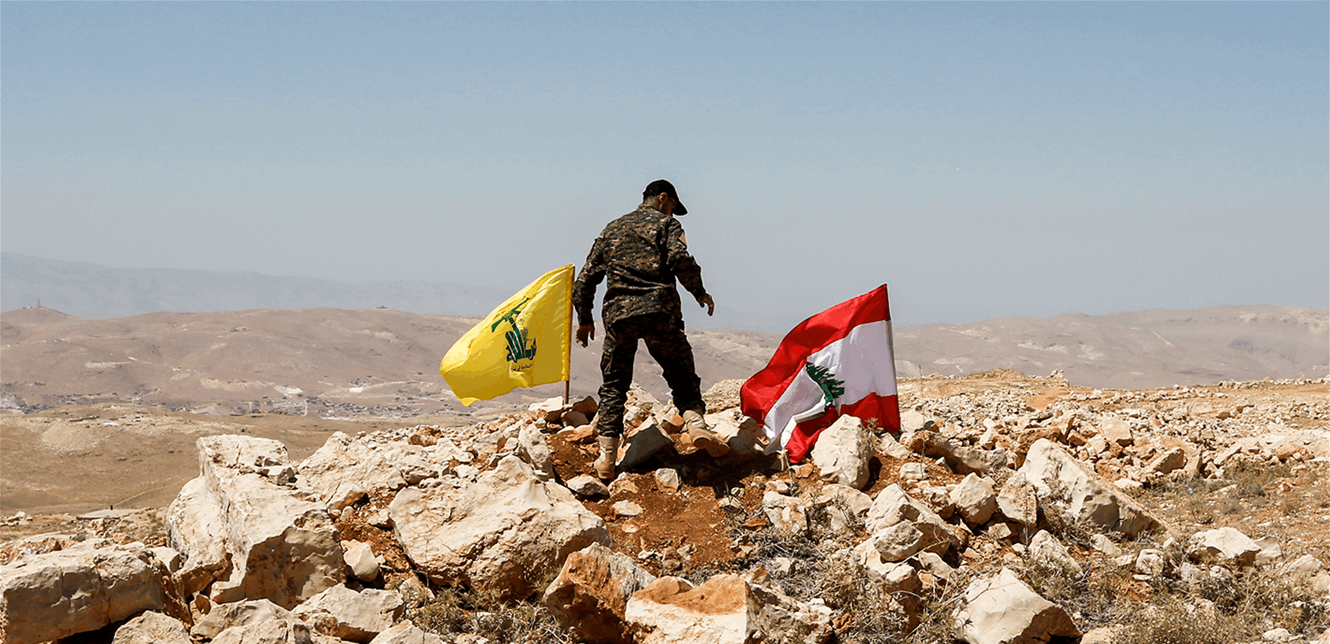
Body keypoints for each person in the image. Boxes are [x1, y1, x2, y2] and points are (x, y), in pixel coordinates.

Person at [573, 179, 730, 480]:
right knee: (681, 373)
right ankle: (696, 425)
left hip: (619, 316)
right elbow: (679, 258)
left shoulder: (611, 229)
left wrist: (584, 319)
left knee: (614, 386)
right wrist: (699, 292)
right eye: (672, 207)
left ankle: (606, 458)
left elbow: (585, 280)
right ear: (662, 198)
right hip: (659, 310)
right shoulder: (666, 225)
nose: (671, 213)